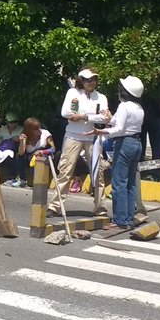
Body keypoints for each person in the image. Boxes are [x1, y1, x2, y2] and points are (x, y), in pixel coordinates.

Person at [50, 67, 109, 216]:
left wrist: (82, 116)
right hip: (73, 136)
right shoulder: (73, 93)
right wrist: (91, 116)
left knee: (98, 173)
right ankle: (55, 206)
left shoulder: (101, 97)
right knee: (65, 171)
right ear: (81, 81)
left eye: (94, 79)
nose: (91, 82)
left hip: (93, 137)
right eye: (88, 80)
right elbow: (66, 113)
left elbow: (104, 118)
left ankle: (100, 207)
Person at [91, 76, 145, 229]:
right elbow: (120, 123)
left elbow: (119, 129)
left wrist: (101, 131)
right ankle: (128, 218)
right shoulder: (138, 108)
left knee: (119, 182)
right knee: (129, 184)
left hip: (124, 143)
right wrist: (110, 119)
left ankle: (119, 219)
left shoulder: (124, 106)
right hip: (136, 143)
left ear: (125, 92)